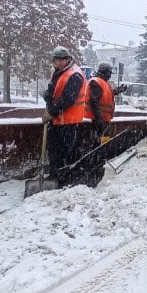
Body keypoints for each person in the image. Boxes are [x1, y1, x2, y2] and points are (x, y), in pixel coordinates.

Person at [42, 46, 87, 187]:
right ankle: (55, 176)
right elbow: (53, 91)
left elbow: (68, 99)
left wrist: (52, 112)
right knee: (54, 150)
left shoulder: (75, 74)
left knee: (66, 152)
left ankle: (65, 179)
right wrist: (47, 96)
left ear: (68, 59)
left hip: (69, 121)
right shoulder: (59, 72)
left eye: (62, 59)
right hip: (58, 120)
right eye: (56, 60)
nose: (58, 62)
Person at [82, 61, 126, 187]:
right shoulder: (95, 82)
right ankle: (91, 170)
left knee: (100, 145)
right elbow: (94, 102)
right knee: (94, 146)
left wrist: (118, 91)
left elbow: (107, 94)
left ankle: (97, 167)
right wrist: (99, 120)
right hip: (94, 121)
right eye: (108, 73)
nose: (110, 75)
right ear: (103, 72)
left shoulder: (102, 82)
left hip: (101, 121)